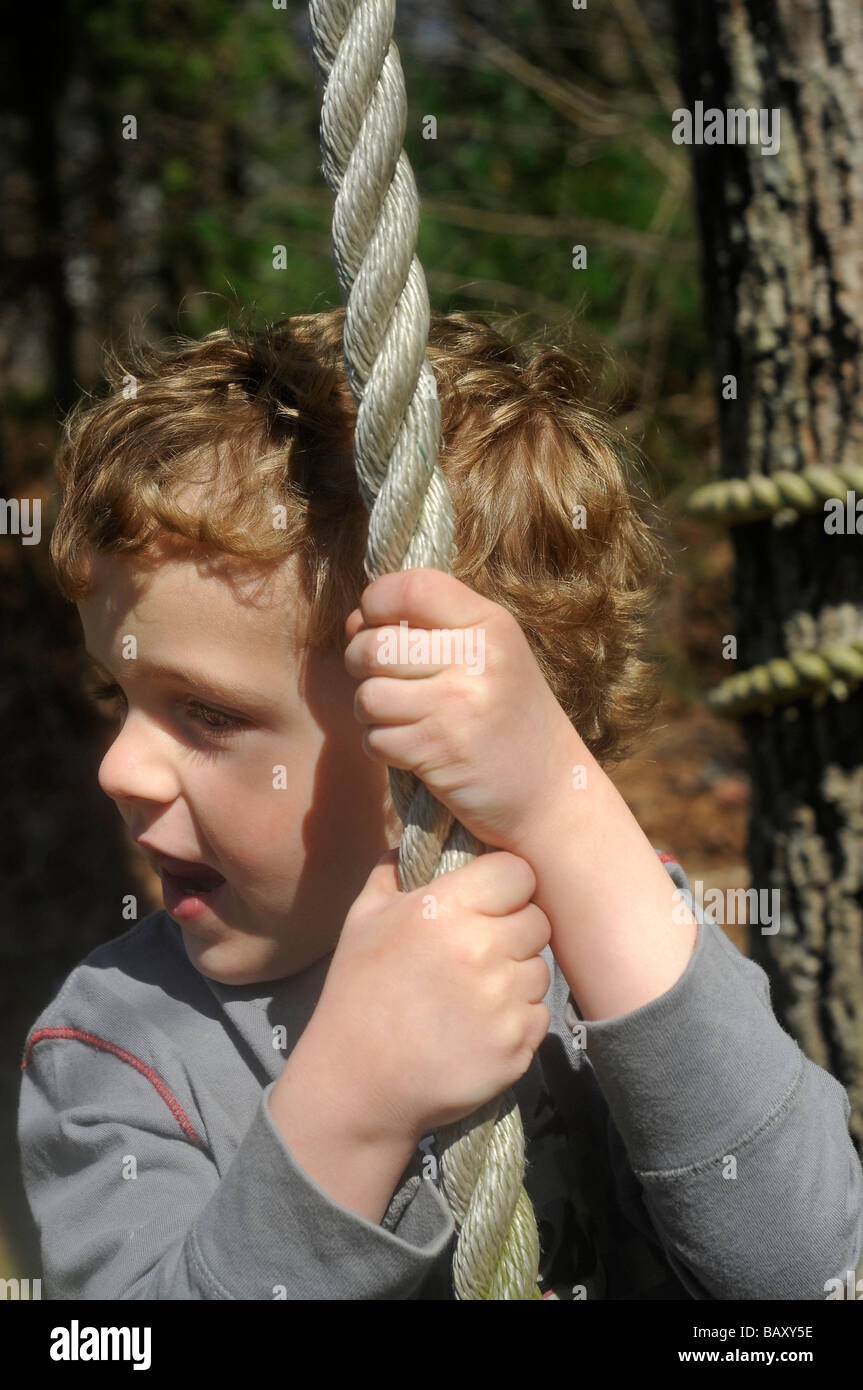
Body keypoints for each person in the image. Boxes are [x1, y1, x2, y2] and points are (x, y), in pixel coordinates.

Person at [18, 307, 863, 1299]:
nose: (121, 768)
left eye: (206, 713)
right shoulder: (122, 1049)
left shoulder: (610, 942)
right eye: (118, 696)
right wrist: (348, 1111)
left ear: (451, 743)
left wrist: (561, 806)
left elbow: (803, 1272)